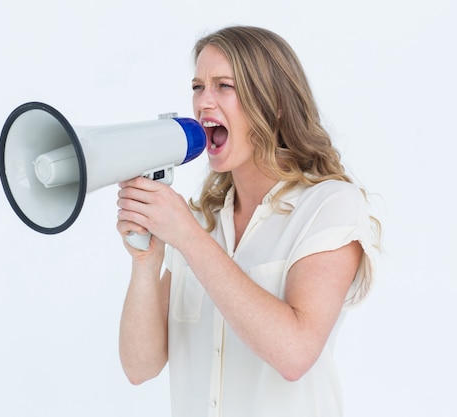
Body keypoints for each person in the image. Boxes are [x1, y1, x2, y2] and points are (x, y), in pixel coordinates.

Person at [116, 25, 380, 417]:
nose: (204, 102)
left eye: (224, 86)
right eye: (197, 86)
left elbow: (294, 354)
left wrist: (187, 237)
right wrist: (146, 263)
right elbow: (141, 367)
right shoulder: (201, 222)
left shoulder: (329, 206)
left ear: (274, 103)